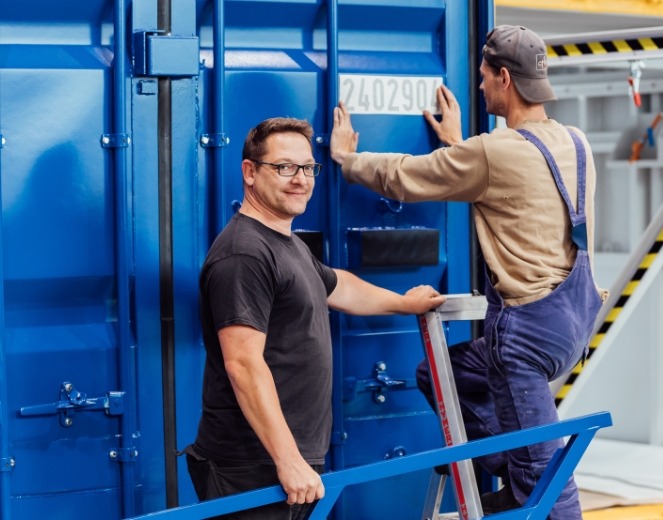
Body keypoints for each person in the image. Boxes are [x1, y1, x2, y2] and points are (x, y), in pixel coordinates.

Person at [329, 25, 607, 518]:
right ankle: (512, 473)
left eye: (483, 78)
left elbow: (403, 177)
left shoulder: (491, 152)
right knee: (440, 374)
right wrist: (462, 145)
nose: (478, 87)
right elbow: (520, 186)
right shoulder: (575, 141)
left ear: (504, 78)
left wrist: (348, 160)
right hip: (574, 321)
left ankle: (527, 488)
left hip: (525, 337)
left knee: (550, 481)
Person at [184, 117, 446, 520]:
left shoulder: (286, 244)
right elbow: (243, 365)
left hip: (285, 461)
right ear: (250, 172)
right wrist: (287, 460)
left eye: (308, 168)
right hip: (252, 465)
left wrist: (403, 303)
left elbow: (338, 285)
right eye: (284, 167)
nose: (300, 179)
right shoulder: (244, 254)